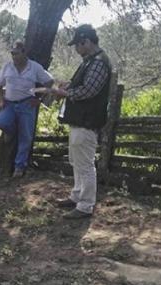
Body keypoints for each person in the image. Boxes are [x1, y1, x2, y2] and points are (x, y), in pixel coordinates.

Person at [50, 24, 112, 219]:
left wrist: (65, 92)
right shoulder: (90, 61)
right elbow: (83, 85)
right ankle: (77, 196)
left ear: (86, 41)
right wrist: (69, 85)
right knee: (76, 161)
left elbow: (89, 90)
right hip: (80, 120)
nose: (76, 49)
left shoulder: (99, 62)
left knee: (85, 165)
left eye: (78, 44)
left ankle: (85, 205)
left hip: (88, 120)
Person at [0, 41, 54, 178]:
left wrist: (39, 98)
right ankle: (11, 131)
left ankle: (19, 167)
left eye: (16, 53)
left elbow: (50, 81)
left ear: (24, 52)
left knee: (25, 137)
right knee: (1, 123)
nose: (14, 56)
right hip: (9, 103)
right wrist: (2, 100)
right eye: (12, 54)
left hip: (27, 104)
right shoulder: (7, 67)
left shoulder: (34, 67)